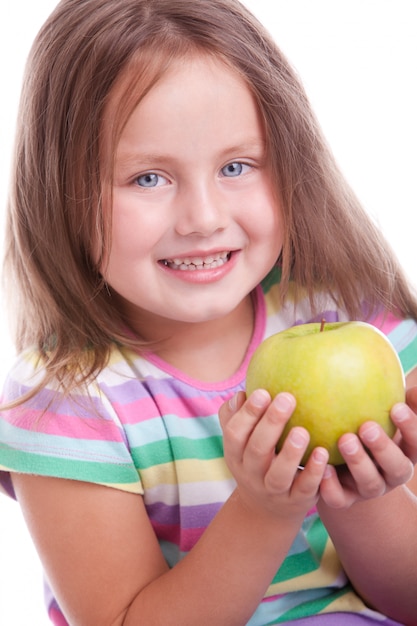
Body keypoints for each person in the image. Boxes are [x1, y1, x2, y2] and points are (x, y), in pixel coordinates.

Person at [1, 0, 417, 624]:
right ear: (62, 194)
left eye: (235, 166)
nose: (203, 219)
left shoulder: (359, 325)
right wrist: (264, 510)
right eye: (147, 178)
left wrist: (361, 495)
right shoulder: (67, 406)